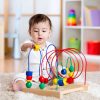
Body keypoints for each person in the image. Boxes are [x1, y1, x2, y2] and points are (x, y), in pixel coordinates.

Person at [12, 14, 56, 91]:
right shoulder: (28, 43)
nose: (40, 33)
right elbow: (22, 48)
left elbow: (53, 64)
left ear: (49, 33)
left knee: (57, 75)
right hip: (30, 76)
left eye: (44, 31)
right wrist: (29, 45)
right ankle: (20, 86)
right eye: (36, 31)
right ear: (30, 32)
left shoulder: (51, 47)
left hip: (46, 77)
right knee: (18, 77)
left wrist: (56, 74)